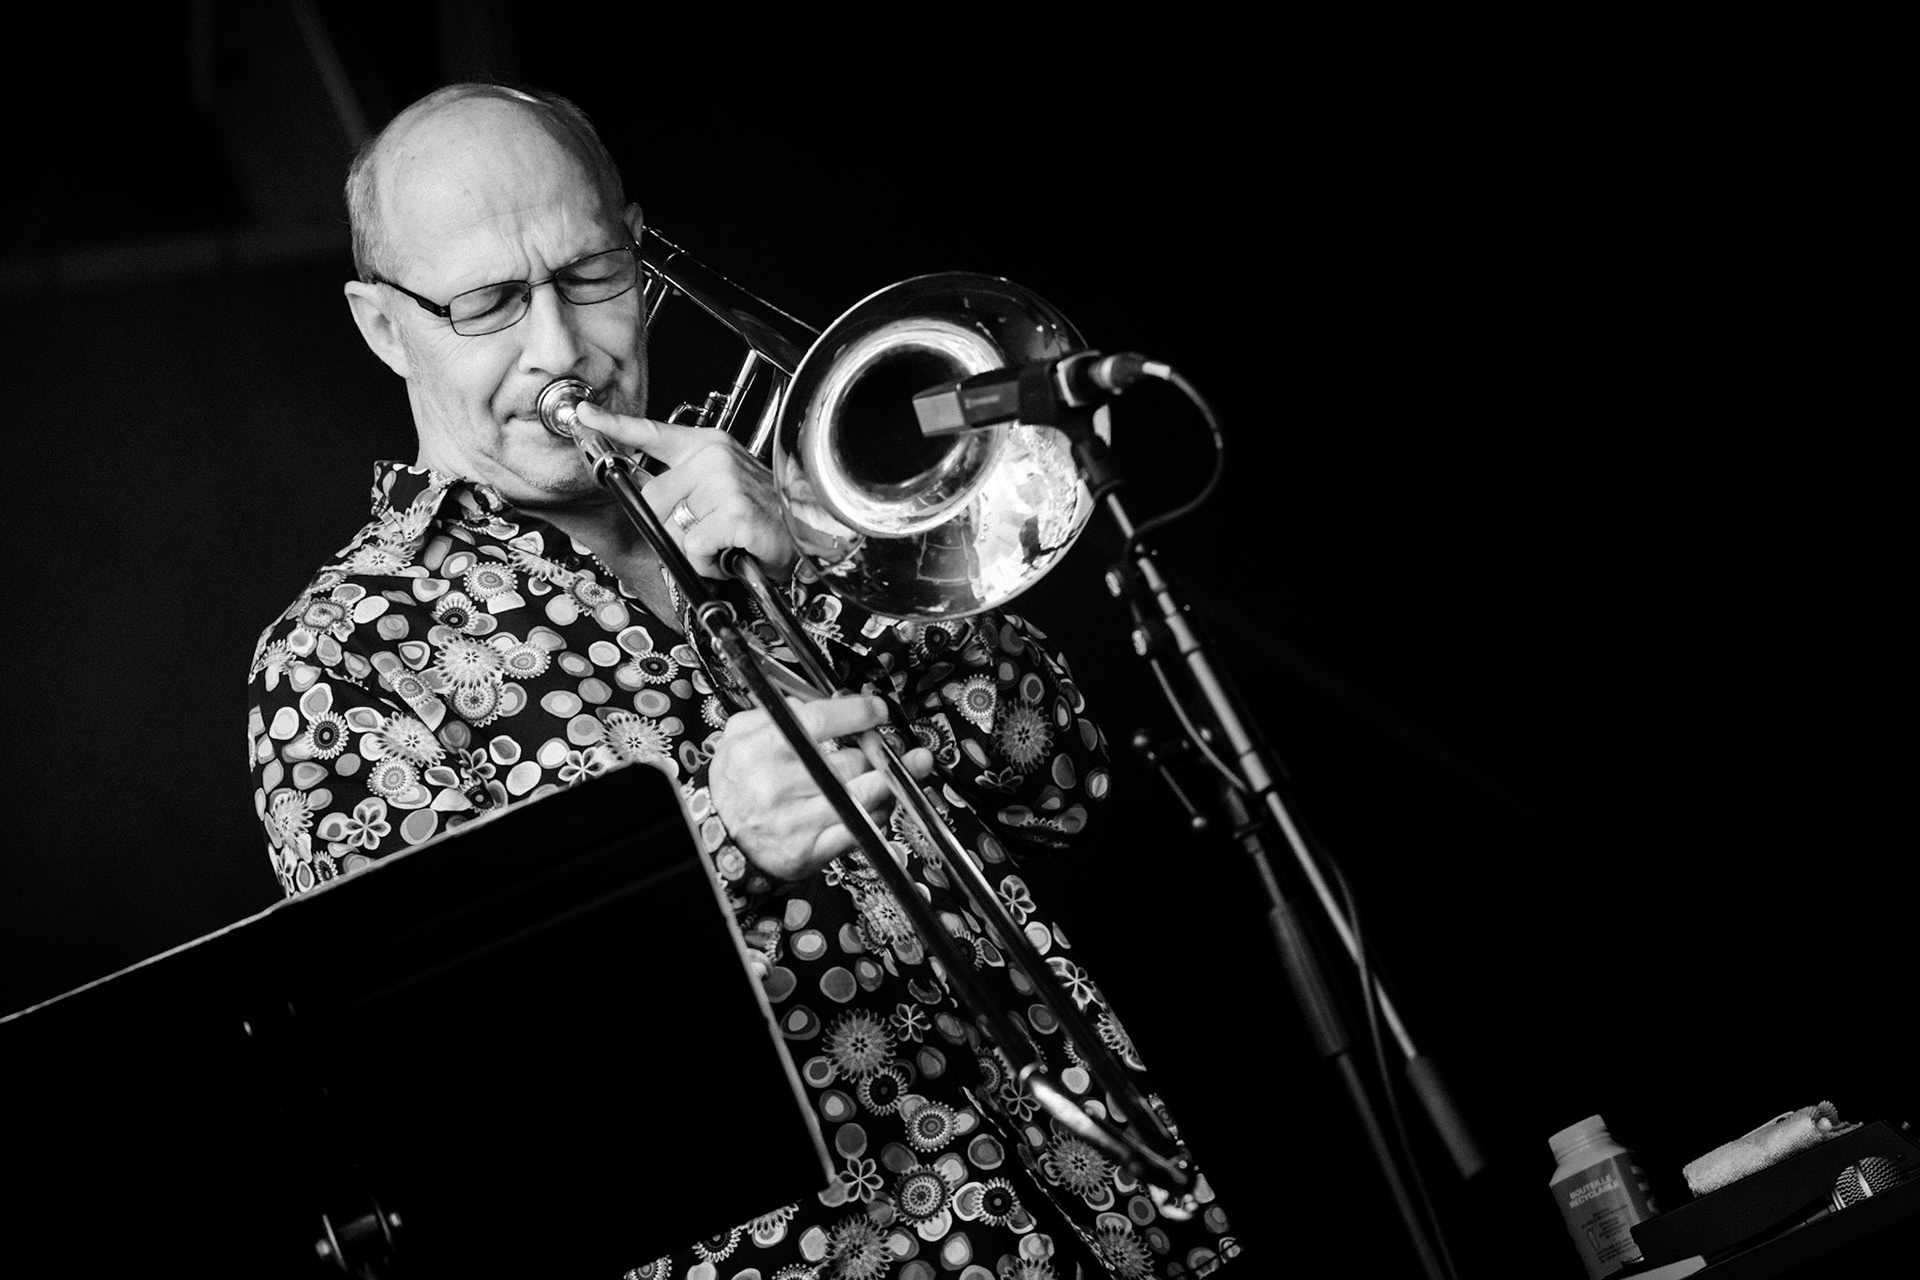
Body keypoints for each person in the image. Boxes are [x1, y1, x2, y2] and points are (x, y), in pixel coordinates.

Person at [245, 81, 1239, 1280]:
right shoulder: (341, 659)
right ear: (383, 326)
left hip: (1120, 1228)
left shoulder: (777, 496)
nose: (560, 349)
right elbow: (454, 1093)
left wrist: (829, 556)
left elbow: (1062, 783)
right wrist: (723, 850)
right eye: (488, 303)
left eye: (591, 275)